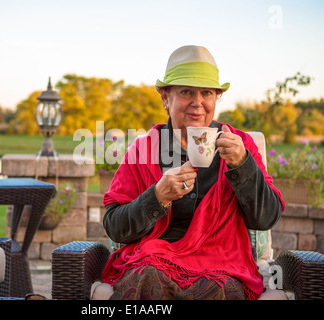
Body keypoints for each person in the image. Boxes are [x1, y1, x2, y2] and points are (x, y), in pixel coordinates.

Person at [100, 45, 285, 300]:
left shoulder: (240, 145)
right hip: (155, 261)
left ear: (215, 99)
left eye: (207, 93)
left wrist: (242, 165)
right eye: (186, 91)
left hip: (222, 265)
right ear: (166, 97)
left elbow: (266, 218)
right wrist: (157, 197)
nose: (197, 102)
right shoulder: (144, 149)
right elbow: (115, 226)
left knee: (219, 290)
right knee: (149, 278)